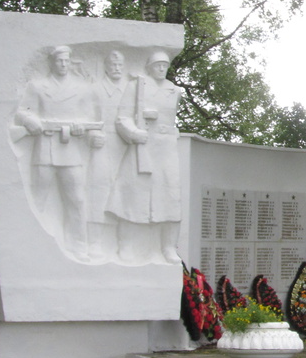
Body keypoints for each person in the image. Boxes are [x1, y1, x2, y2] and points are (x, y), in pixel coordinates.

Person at [14, 45, 101, 257]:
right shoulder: (37, 86)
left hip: (70, 151)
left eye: (67, 61)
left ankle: (78, 245)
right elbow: (20, 112)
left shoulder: (82, 89)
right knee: (38, 198)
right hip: (45, 148)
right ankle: (29, 243)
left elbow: (91, 120)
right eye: (59, 61)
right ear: (52, 63)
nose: (63, 65)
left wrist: (82, 128)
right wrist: (31, 120)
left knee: (77, 199)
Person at [106, 50, 183, 265]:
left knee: (170, 198)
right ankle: (126, 246)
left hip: (166, 150)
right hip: (142, 147)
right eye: (157, 64)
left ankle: (168, 247)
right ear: (149, 66)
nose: (161, 69)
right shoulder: (136, 86)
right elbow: (122, 117)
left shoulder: (173, 90)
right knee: (132, 197)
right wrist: (133, 133)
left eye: (164, 65)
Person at [86, 50, 129, 259]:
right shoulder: (95, 89)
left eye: (120, 65)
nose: (117, 69)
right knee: (97, 192)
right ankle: (94, 242)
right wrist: (92, 134)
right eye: (113, 65)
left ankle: (121, 244)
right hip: (101, 146)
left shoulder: (131, 89)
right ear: (106, 67)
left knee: (121, 194)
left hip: (124, 146)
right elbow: (85, 116)